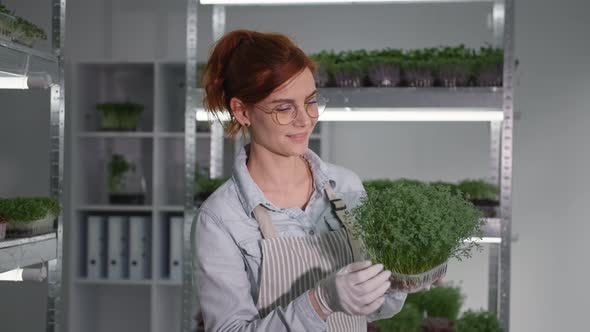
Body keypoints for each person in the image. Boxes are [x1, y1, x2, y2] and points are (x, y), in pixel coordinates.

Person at [192, 29, 407, 332]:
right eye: (283, 108)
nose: (305, 119)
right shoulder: (221, 218)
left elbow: (373, 309)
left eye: (310, 101)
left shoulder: (345, 186)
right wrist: (321, 301)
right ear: (242, 111)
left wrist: (405, 277)